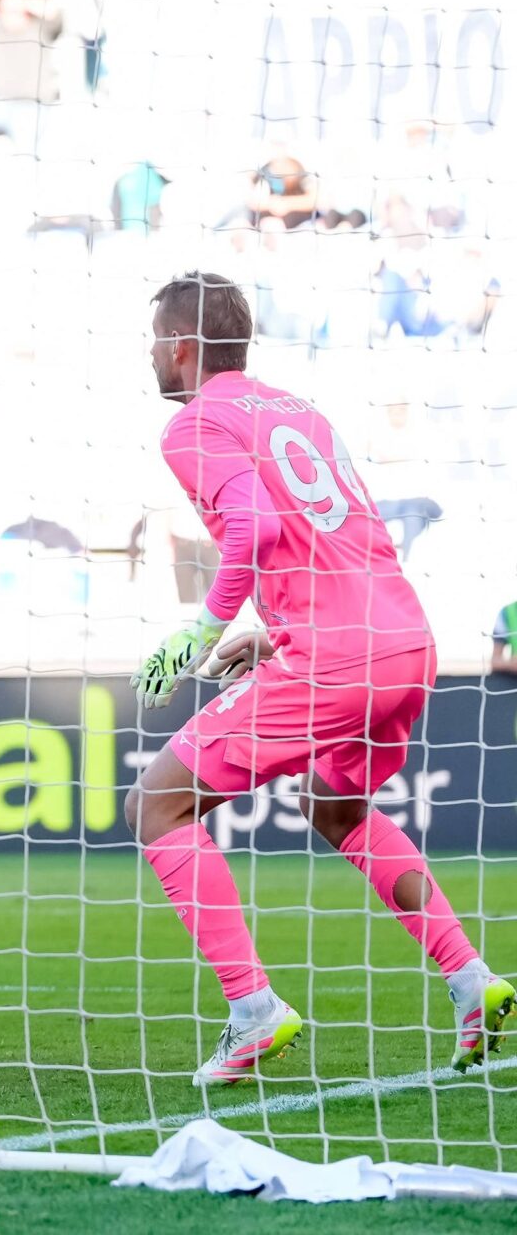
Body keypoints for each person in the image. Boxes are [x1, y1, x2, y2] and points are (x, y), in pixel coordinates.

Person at [124, 272, 511, 1084]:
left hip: (334, 658)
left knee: (157, 804)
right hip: (402, 641)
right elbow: (333, 542)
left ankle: (253, 1010)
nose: (152, 354)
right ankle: (472, 980)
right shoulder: (299, 412)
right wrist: (274, 633)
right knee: (336, 808)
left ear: (182, 346)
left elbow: (254, 528)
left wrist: (203, 628)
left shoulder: (194, 424)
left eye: (156, 340)